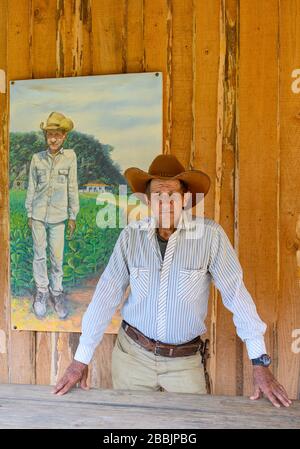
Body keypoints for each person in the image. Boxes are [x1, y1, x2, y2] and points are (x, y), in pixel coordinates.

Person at [53, 154, 291, 408]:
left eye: (172, 195)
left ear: (186, 199)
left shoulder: (210, 237)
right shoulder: (130, 237)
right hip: (132, 357)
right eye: (157, 195)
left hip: (184, 363)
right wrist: (81, 359)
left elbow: (237, 296)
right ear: (147, 200)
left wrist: (259, 362)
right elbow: (105, 297)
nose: (165, 202)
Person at [25, 112, 79, 319]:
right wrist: (30, 212)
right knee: (39, 255)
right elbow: (31, 187)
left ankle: (56, 294)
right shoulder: (36, 158)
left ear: (64, 136)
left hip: (58, 217)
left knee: (56, 257)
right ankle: (41, 292)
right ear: (46, 137)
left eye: (57, 134)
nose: (53, 139)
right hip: (38, 215)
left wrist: (72, 215)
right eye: (49, 135)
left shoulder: (70, 157)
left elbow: (72, 187)